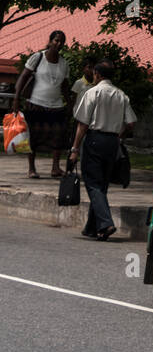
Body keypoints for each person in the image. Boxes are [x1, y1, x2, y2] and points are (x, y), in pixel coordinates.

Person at [69, 60, 136, 241]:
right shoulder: (121, 95)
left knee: (93, 183)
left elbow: (82, 124)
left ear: (97, 75)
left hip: (94, 139)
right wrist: (118, 136)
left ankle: (106, 223)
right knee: (102, 184)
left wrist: (75, 148)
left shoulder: (93, 92)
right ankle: (92, 227)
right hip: (112, 142)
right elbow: (130, 123)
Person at [12, 29, 72, 179]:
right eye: (56, 40)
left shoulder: (64, 64)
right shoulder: (38, 57)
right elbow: (23, 77)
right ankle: (32, 169)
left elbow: (65, 85)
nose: (58, 44)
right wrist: (16, 98)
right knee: (33, 137)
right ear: (50, 41)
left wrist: (70, 103)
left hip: (56, 105)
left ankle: (55, 168)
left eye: (61, 41)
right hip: (35, 103)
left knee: (58, 135)